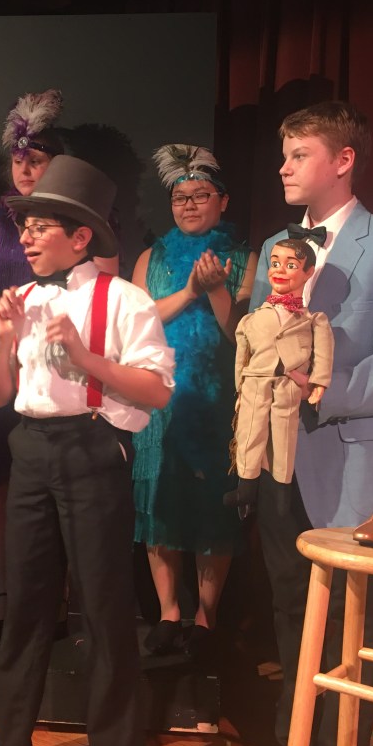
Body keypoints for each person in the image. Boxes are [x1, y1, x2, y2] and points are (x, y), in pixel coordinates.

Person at [249, 101, 373, 746]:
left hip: (352, 460)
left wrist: (327, 388)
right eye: (284, 155)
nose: (284, 168)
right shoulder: (273, 247)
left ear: (343, 160)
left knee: (352, 619)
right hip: (277, 458)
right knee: (289, 607)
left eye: (299, 154)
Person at [0, 156, 174, 746]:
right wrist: (1, 339)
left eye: (40, 227)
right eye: (25, 227)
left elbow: (158, 390)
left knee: (103, 604)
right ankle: (12, 738)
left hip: (93, 448)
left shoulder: (125, 301)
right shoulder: (22, 298)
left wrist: (87, 359)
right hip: (30, 450)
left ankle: (113, 738)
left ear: (81, 236)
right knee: (25, 604)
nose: (26, 238)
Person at [0, 89, 117, 623]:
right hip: (6, 353)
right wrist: (2, 315)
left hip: (63, 359)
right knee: (7, 480)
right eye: (18, 160)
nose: (26, 170)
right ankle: (9, 588)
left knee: (68, 484)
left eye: (36, 160)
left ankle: (65, 593)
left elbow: (108, 290)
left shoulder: (81, 221)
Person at [131, 144, 256, 658]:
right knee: (158, 504)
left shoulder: (246, 259)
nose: (188, 205)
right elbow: (136, 323)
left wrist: (218, 289)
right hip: (160, 399)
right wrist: (188, 291)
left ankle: (206, 616)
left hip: (218, 400)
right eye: (180, 198)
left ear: (222, 201)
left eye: (200, 195)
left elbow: (241, 335)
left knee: (212, 510)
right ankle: (168, 613)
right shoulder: (152, 258)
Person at [227, 238, 333, 512]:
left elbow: (323, 354)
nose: (280, 270)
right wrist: (239, 388)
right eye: (275, 263)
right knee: (249, 433)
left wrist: (318, 383)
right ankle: (245, 489)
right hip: (255, 381)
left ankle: (280, 495)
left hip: (288, 385)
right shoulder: (251, 319)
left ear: (308, 272)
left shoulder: (312, 320)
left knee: (284, 440)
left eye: (291, 265)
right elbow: (241, 356)